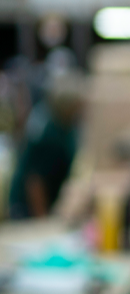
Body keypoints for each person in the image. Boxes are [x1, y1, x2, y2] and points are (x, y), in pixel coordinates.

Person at [9, 72, 85, 218]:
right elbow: (35, 182)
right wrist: (42, 220)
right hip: (26, 209)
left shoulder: (66, 125)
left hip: (47, 199)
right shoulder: (47, 134)